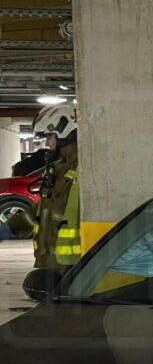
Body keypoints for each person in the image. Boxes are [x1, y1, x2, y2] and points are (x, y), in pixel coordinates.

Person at [0, 102, 81, 300]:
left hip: (76, 269)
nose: (48, 144)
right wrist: (10, 228)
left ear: (66, 134)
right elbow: (43, 212)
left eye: (50, 137)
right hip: (54, 267)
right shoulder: (59, 170)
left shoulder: (85, 171)